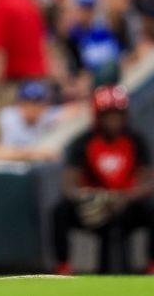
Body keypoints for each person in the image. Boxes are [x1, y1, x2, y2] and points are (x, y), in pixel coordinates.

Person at [52, 85, 154, 275]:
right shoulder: (83, 142)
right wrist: (88, 196)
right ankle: (63, 267)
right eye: (108, 115)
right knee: (60, 211)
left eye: (117, 114)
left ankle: (151, 266)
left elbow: (148, 181)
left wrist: (125, 197)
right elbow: (68, 184)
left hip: (127, 206)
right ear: (98, 116)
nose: (113, 120)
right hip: (94, 207)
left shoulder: (136, 141)